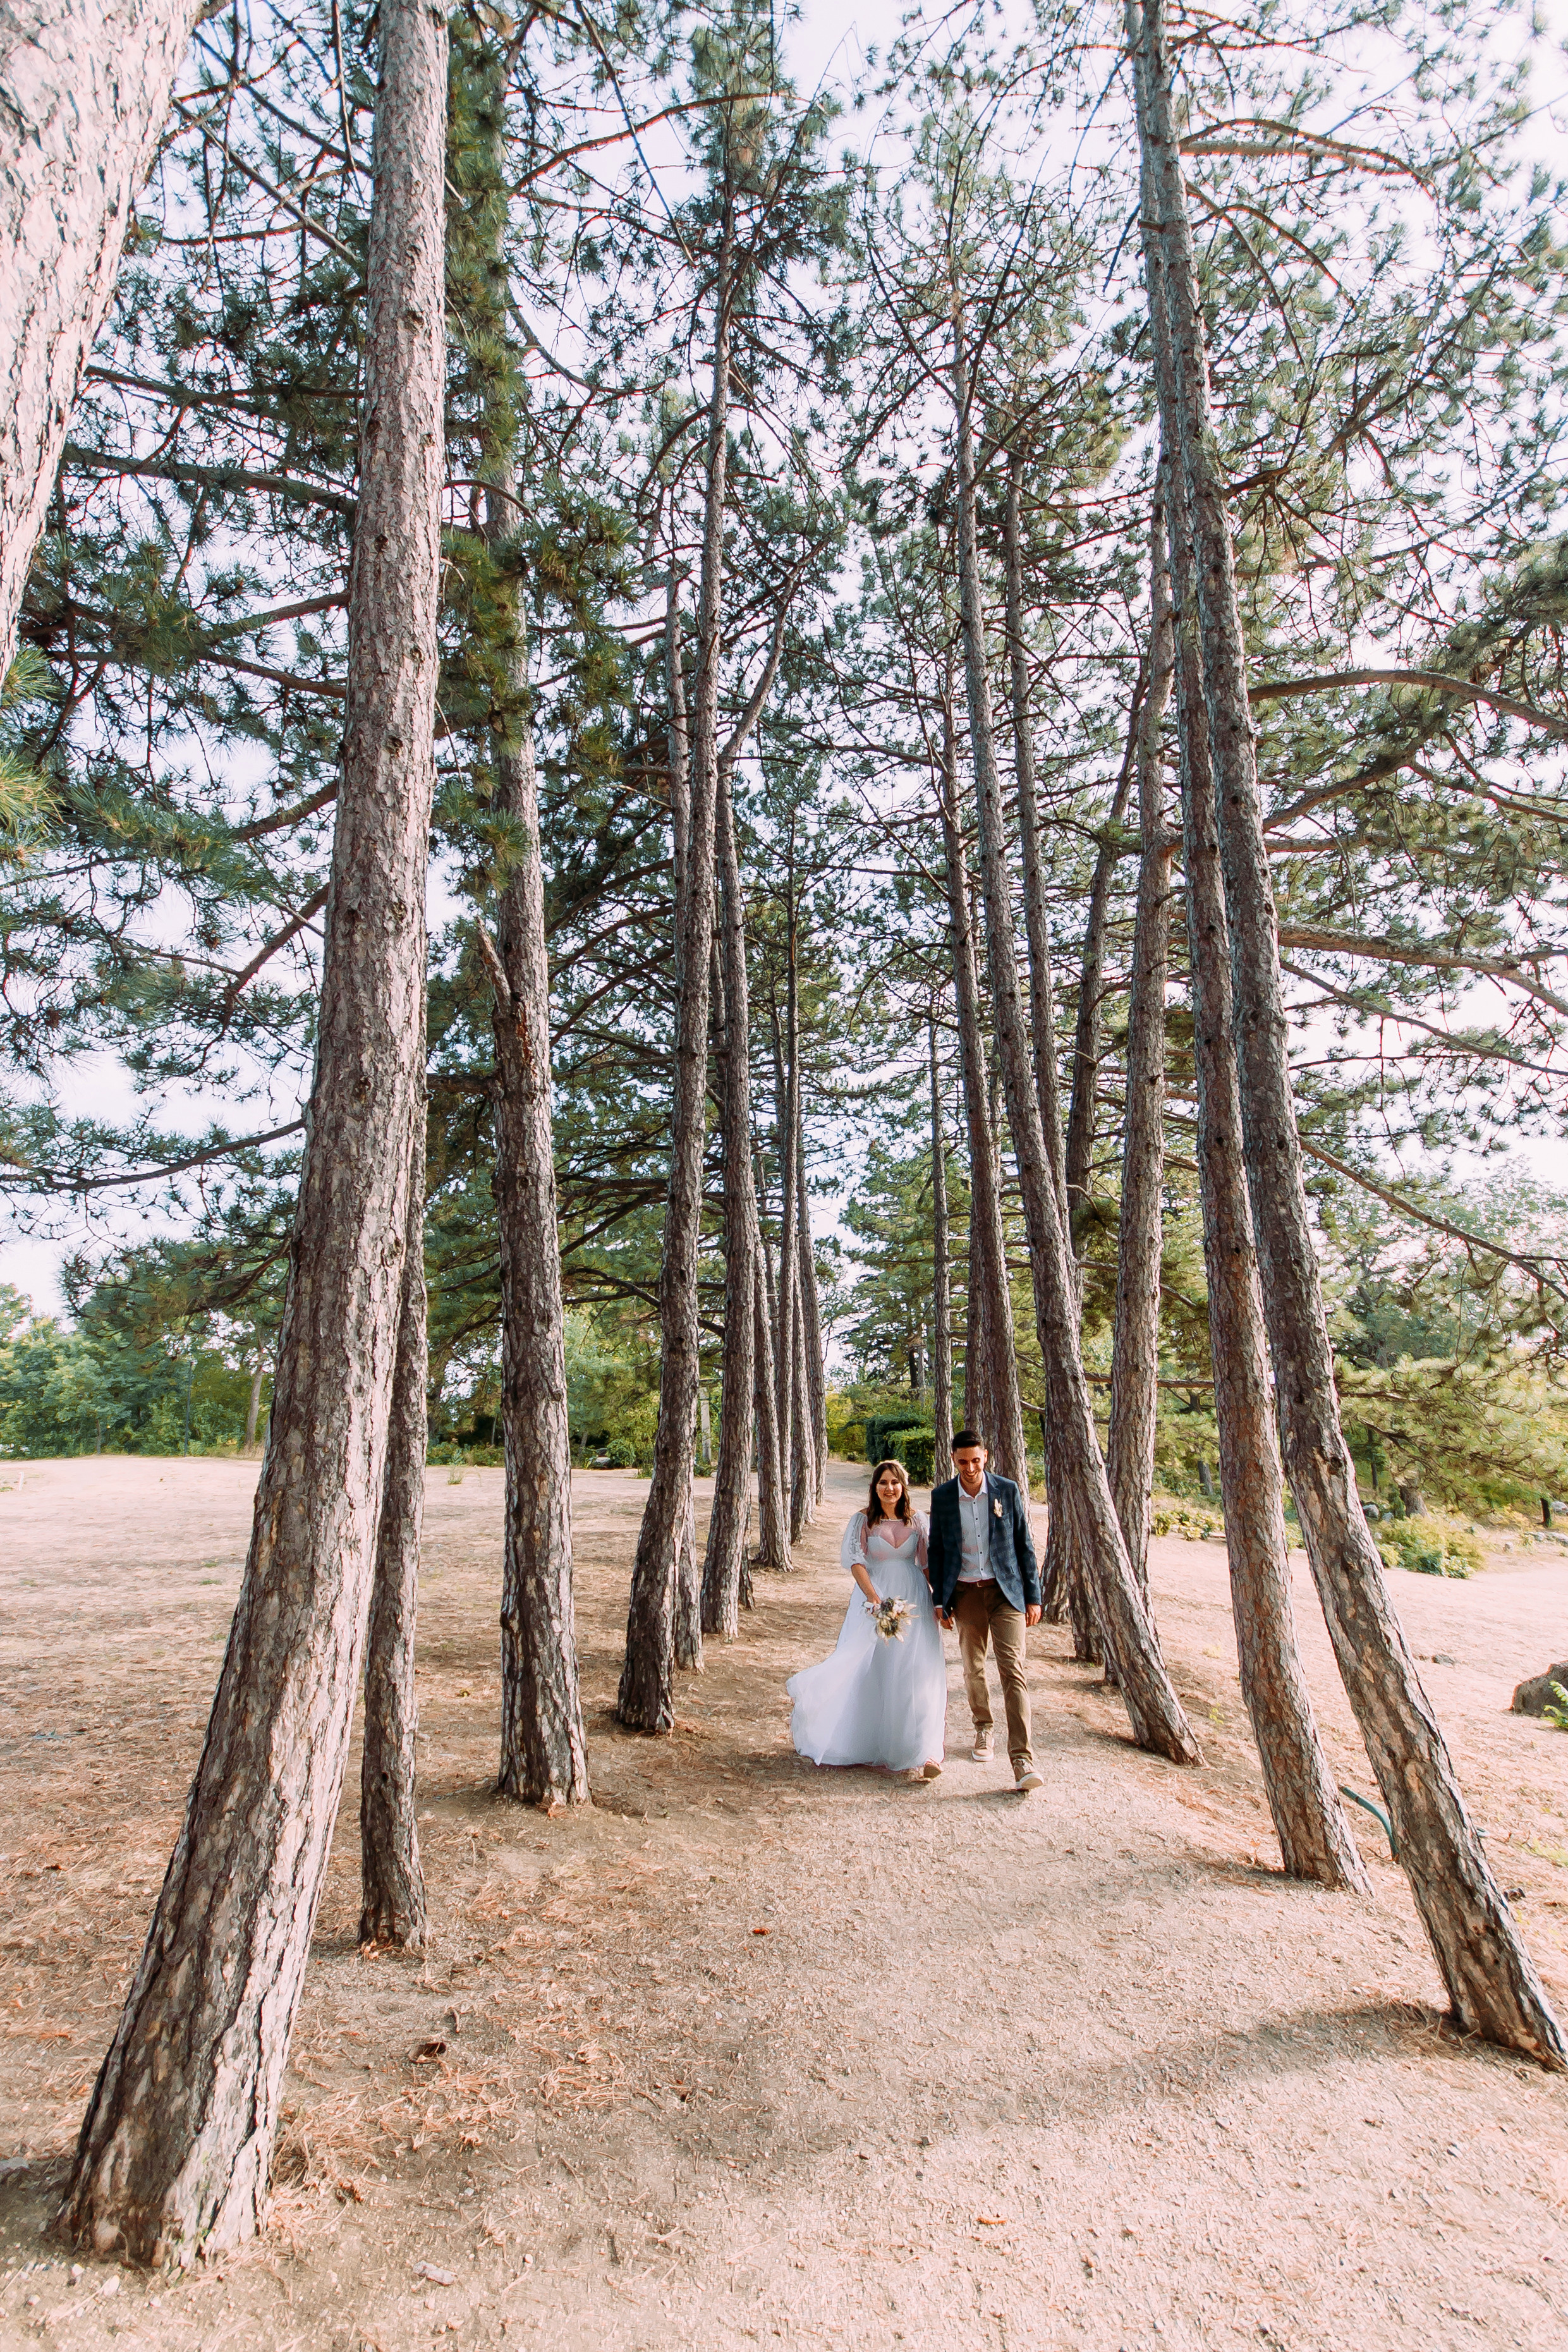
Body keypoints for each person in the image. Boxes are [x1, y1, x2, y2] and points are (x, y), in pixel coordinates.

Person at [787, 1458, 947, 1777]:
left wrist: (940, 1601)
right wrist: (875, 1600)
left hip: (914, 1599)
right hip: (876, 1599)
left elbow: (928, 1563)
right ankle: (870, 1740)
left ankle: (922, 1750)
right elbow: (856, 1561)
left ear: (904, 1486)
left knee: (915, 1670)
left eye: (895, 1482)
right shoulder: (863, 1521)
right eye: (883, 1483)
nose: (890, 1489)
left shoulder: (917, 1520)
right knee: (874, 1666)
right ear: (875, 1487)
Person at [927, 1427, 1043, 1794]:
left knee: (1014, 1670)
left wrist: (1033, 1596)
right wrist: (939, 1599)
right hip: (965, 1594)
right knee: (973, 1666)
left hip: (1006, 1592)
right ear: (953, 1460)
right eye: (963, 1462)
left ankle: (1022, 1757)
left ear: (986, 1456)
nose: (971, 1468)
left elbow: (1023, 1543)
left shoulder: (1006, 1490)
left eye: (976, 1460)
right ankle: (983, 1729)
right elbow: (937, 1551)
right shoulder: (943, 1497)